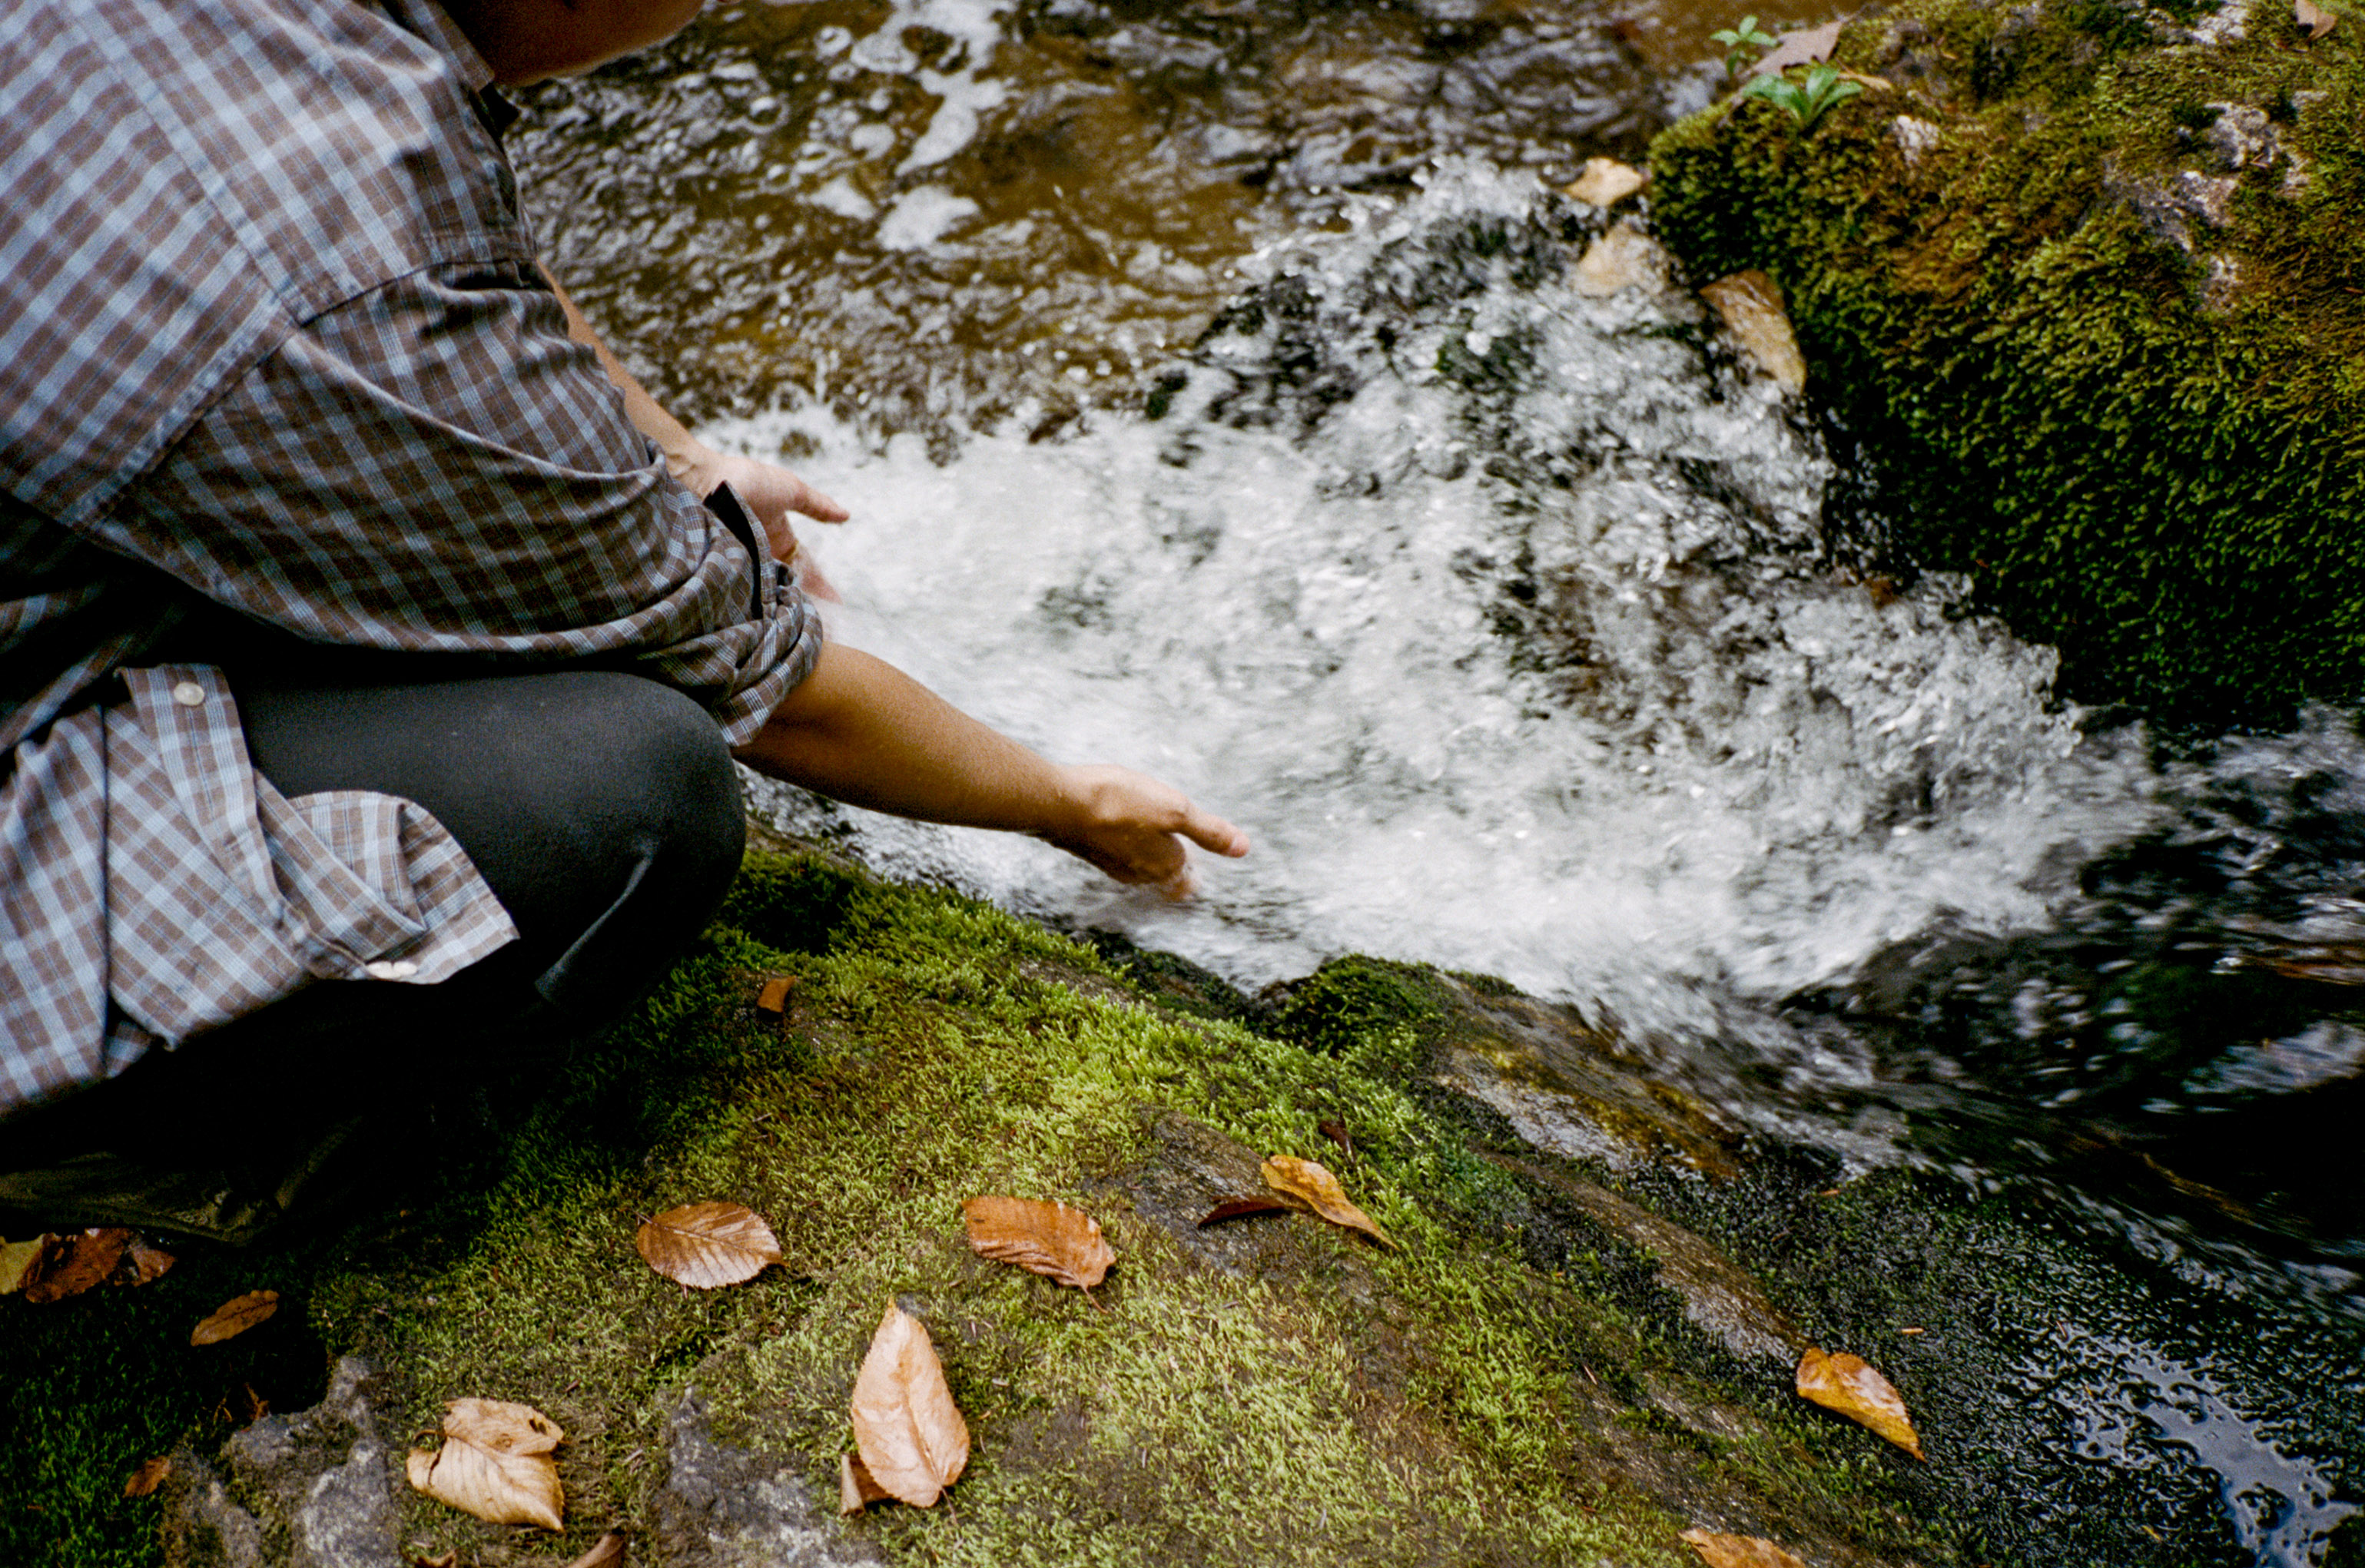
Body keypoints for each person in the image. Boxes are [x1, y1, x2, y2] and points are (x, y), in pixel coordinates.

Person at [0, 0, 1246, 1239]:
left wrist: (685, 464)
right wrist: (1066, 802)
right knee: (630, 794)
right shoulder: (325, 279)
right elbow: (770, 693)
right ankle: (129, 1138)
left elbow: (446, 259)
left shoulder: (303, 68)